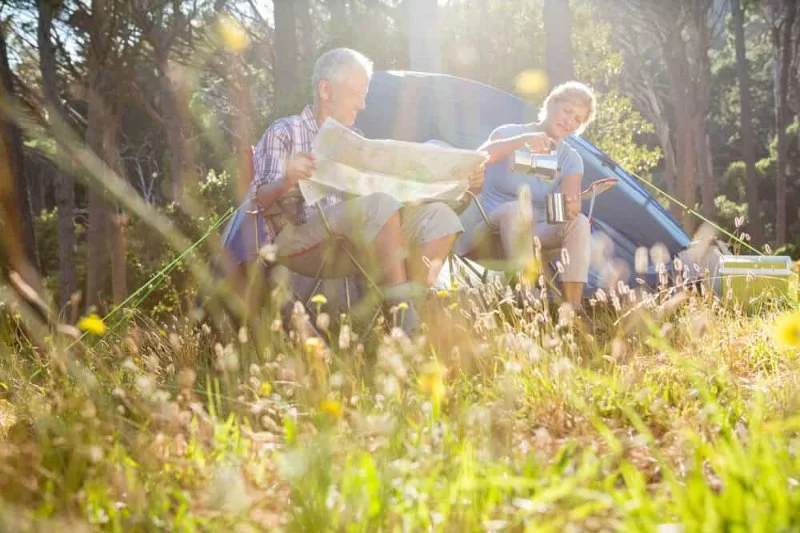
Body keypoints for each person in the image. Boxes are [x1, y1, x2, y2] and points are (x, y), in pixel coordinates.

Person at [221, 48, 485, 334]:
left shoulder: (356, 140)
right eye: (356, 94)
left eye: (364, 95)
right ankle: (404, 325)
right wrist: (287, 179)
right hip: (298, 239)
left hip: (359, 232)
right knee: (380, 205)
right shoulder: (285, 130)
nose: (362, 105)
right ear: (325, 89)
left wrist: (457, 182)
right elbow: (258, 200)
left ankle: (413, 310)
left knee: (439, 217)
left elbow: (389, 197)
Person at [454, 81, 597, 312]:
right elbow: (478, 157)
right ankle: (530, 300)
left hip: (536, 232)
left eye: (578, 119)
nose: (570, 121)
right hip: (489, 228)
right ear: (551, 105)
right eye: (567, 111)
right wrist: (525, 140)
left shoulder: (571, 159)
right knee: (517, 208)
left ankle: (573, 308)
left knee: (578, 222)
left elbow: (566, 204)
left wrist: (570, 206)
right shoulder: (510, 133)